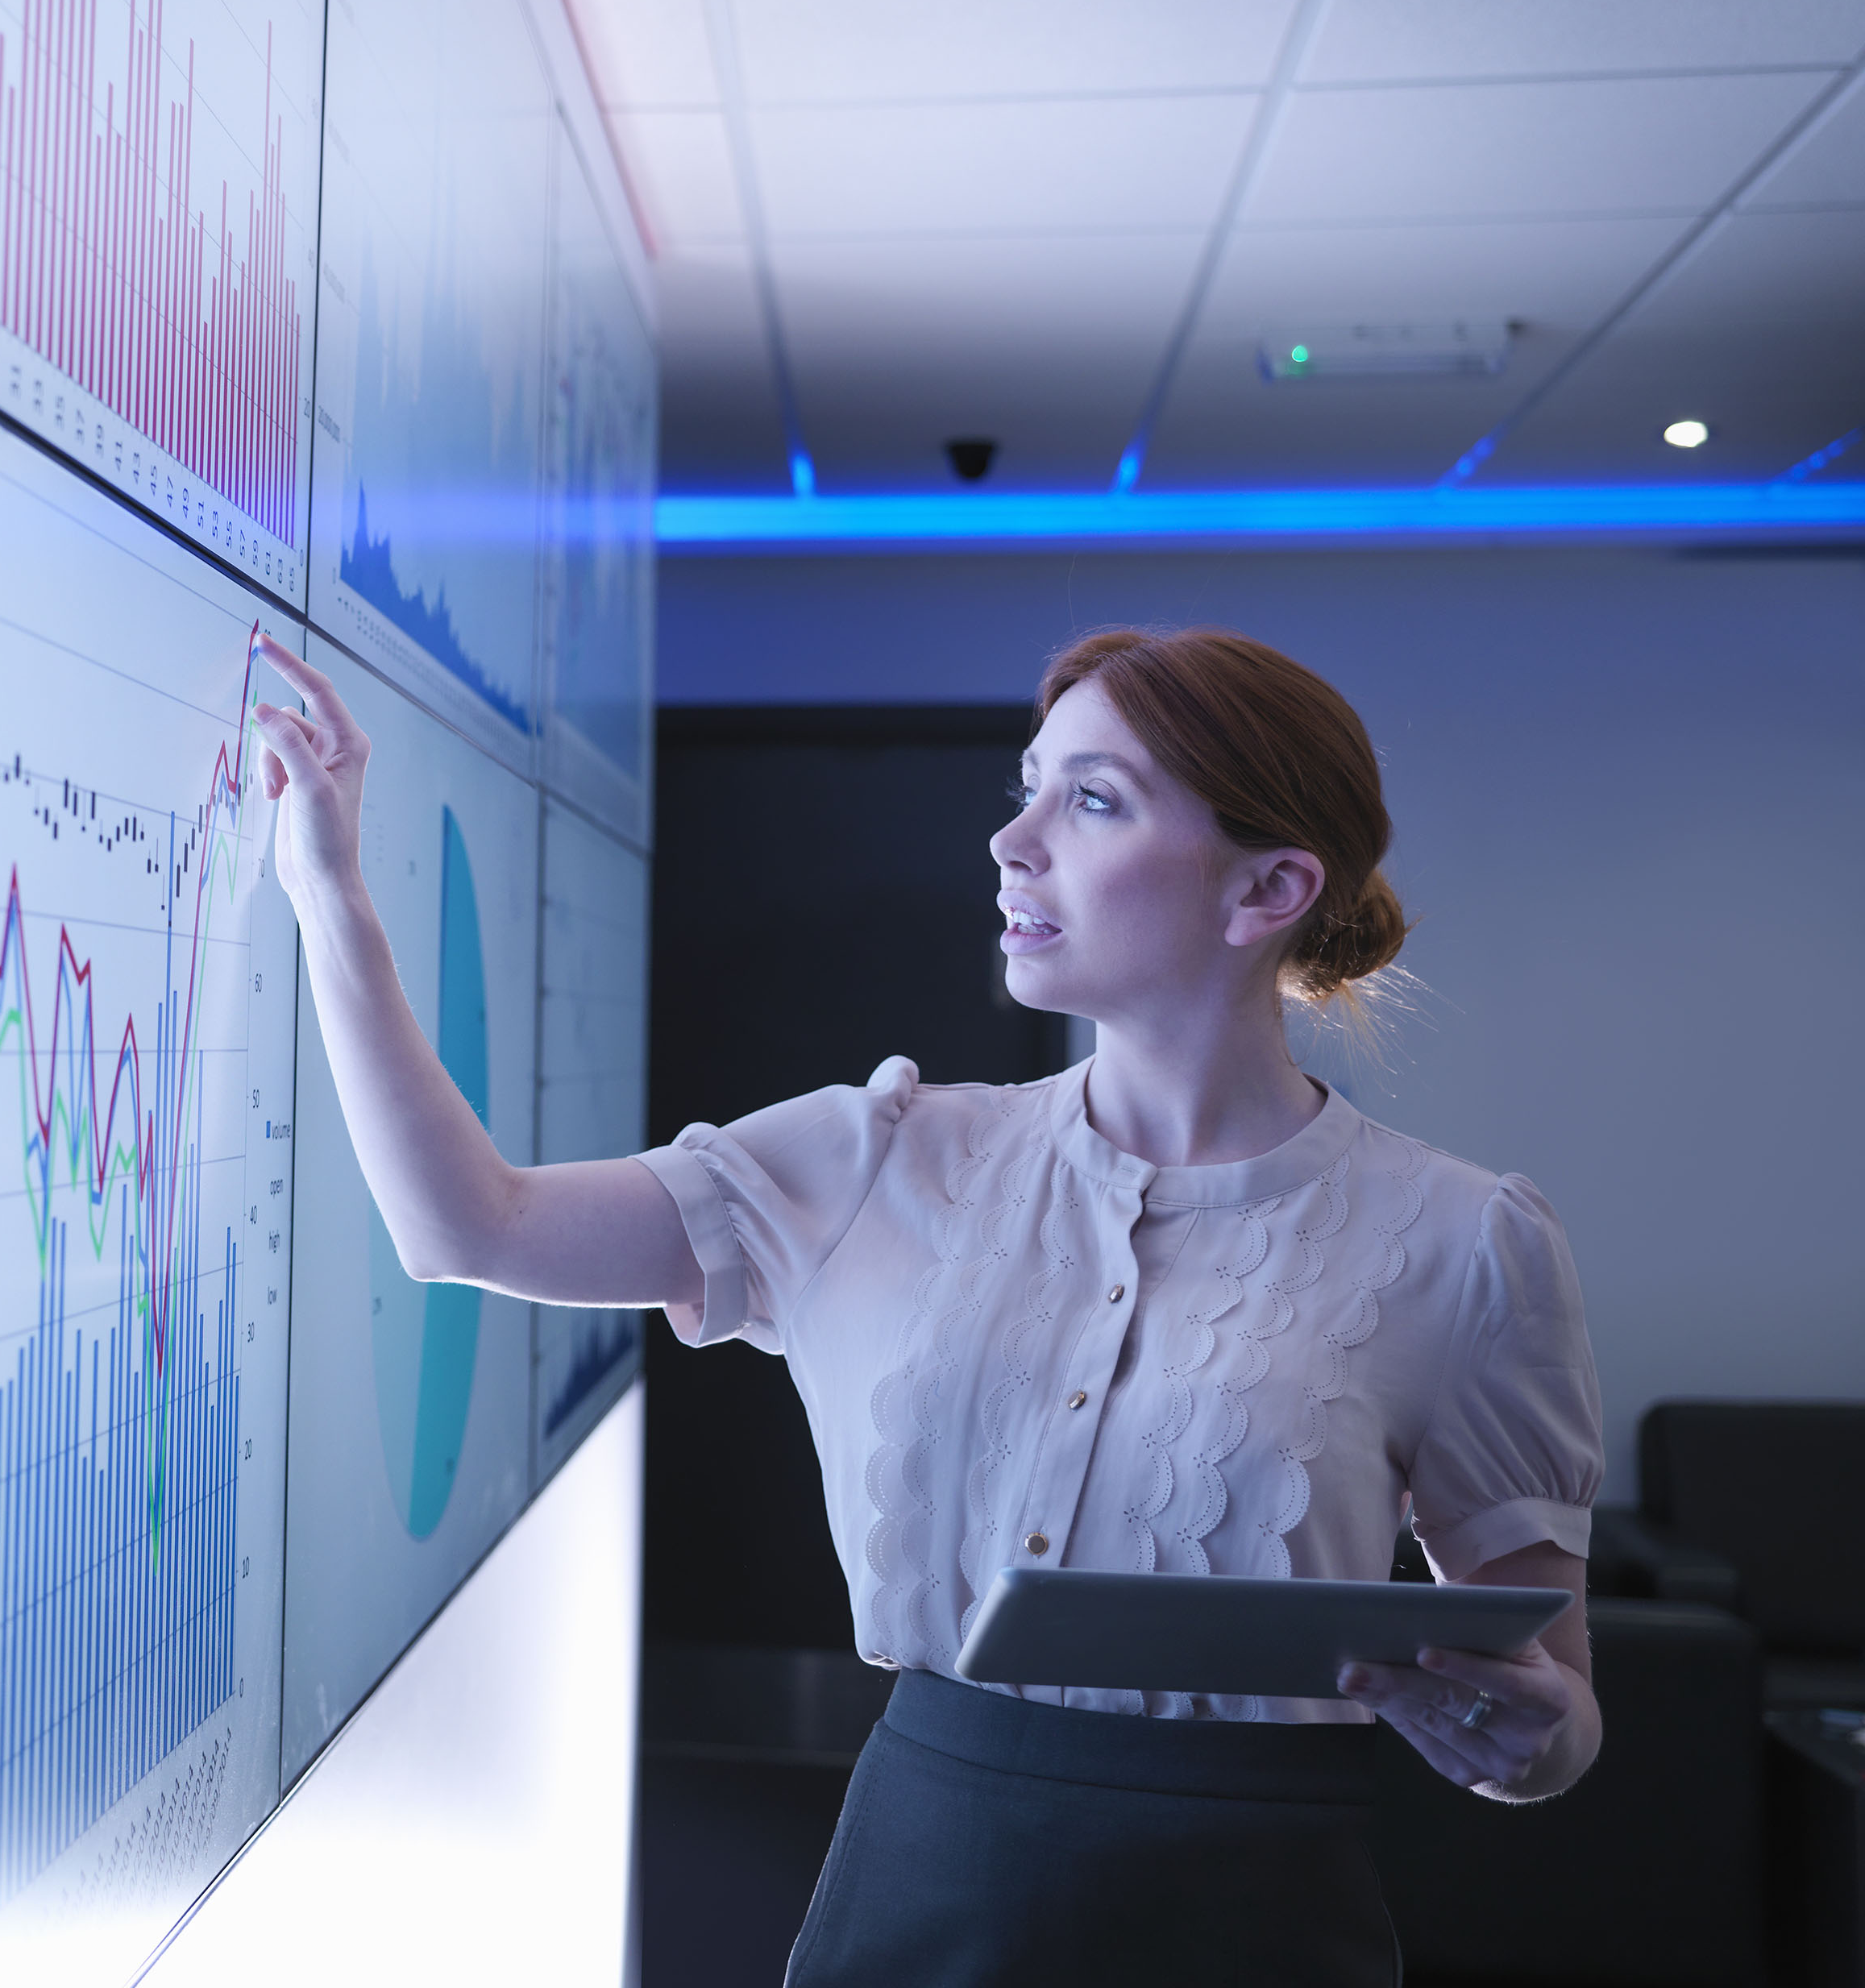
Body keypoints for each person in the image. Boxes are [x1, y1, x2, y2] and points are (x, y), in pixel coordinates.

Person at [249, 625, 1602, 1986]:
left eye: (1091, 800)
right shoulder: (876, 1157)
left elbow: (1553, 1720)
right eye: (1027, 788)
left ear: (1269, 888)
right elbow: (470, 1227)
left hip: (1256, 1923)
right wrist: (331, 893)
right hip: (920, 1875)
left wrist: (1524, 1742)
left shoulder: (1465, 1241)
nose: (1013, 843)